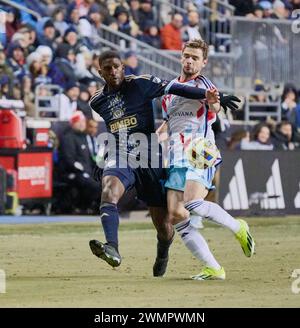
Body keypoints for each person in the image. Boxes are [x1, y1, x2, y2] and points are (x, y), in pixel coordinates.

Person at [88, 50, 237, 276]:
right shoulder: (97, 101)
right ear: (100, 73)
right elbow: (112, 128)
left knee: (164, 224)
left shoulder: (141, 84)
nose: (113, 71)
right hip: (121, 155)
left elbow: (176, 87)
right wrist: (104, 157)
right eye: (107, 69)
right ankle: (112, 248)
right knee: (108, 191)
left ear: (123, 68)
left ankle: (163, 252)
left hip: (150, 159)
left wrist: (208, 94)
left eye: (116, 67)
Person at [157, 39, 255, 280]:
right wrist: (158, 137)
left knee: (191, 202)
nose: (190, 61)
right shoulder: (169, 90)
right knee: (176, 214)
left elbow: (213, 107)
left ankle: (238, 227)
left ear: (204, 62)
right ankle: (213, 268)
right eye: (187, 56)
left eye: (195, 58)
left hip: (201, 149)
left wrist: (215, 101)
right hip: (177, 154)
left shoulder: (205, 85)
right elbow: (169, 121)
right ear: (181, 57)